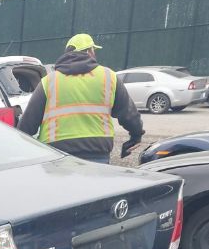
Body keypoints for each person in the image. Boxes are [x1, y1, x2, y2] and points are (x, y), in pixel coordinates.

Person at [17, 34, 144, 164]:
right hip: (97, 151)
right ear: (89, 51)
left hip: (57, 152)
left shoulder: (49, 81)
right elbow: (129, 113)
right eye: (94, 50)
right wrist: (136, 135)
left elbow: (28, 123)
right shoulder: (108, 76)